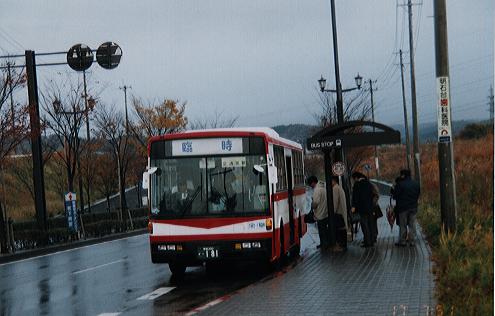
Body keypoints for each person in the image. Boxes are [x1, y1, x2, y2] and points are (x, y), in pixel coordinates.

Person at [392, 169, 420, 247]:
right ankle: (412, 241)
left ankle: (403, 241)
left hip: (403, 208)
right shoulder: (416, 183)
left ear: (403, 175)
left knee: (403, 224)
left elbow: (395, 196)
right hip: (413, 207)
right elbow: (418, 194)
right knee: (412, 224)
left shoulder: (400, 184)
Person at [351, 172, 375, 248]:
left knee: (364, 225)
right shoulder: (368, 184)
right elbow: (372, 195)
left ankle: (367, 242)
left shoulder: (357, 184)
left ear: (356, 178)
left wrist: (353, 206)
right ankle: (372, 240)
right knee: (370, 224)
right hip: (370, 208)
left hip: (362, 208)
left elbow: (355, 197)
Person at [306, 176, 330, 249]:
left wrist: (312, 205)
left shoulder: (317, 190)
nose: (311, 186)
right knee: (325, 229)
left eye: (311, 184)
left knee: (322, 230)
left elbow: (315, 203)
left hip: (320, 213)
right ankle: (326, 243)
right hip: (325, 212)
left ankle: (323, 244)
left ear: (313, 182)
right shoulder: (323, 187)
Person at [331, 176, 348, 248]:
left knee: (339, 230)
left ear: (334, 181)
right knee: (343, 229)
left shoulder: (335, 189)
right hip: (342, 212)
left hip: (338, 213)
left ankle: (341, 244)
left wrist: (332, 212)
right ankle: (343, 244)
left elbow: (335, 202)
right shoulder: (340, 188)